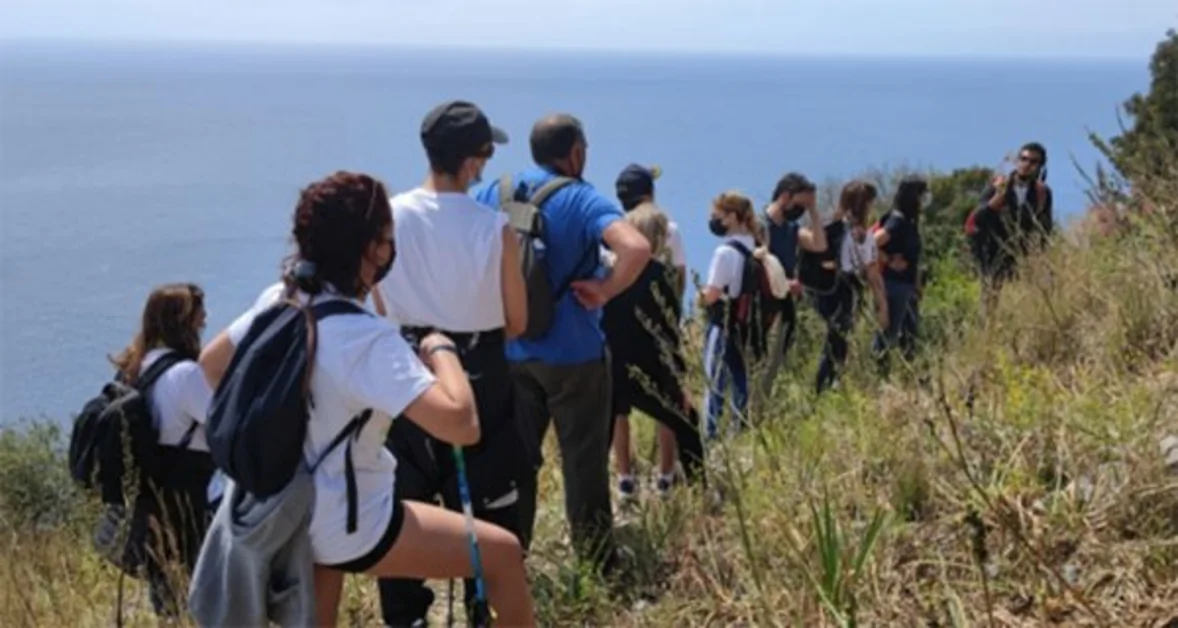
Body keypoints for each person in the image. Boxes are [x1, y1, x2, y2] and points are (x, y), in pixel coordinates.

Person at [198, 171, 535, 627]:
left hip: (282, 504)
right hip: (350, 522)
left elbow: (212, 363)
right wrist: (442, 352)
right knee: (503, 556)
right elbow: (461, 424)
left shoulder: (282, 299)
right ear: (371, 249)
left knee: (321, 594)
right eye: (388, 239)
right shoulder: (366, 339)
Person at [366, 101, 530, 626]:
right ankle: (486, 611)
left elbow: (378, 307)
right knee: (490, 510)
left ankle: (406, 617)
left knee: (403, 504)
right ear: (474, 161)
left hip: (406, 370)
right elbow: (518, 321)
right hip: (479, 374)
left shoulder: (388, 219)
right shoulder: (495, 228)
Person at [472, 113, 652, 571]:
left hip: (510, 349)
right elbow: (636, 248)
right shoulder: (581, 197)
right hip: (575, 355)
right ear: (575, 152)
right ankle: (596, 562)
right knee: (583, 460)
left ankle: (512, 557)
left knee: (518, 462)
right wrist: (606, 289)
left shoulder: (492, 193)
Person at [106, 282, 216, 618]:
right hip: (188, 495)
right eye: (199, 317)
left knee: (166, 592)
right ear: (184, 323)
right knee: (201, 587)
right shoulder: (185, 374)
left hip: (149, 495)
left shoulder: (133, 367)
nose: (204, 321)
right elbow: (224, 423)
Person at [601, 201, 705, 501]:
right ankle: (697, 488)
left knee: (598, 437)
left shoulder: (610, 272)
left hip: (611, 364)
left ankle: (597, 499)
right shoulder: (663, 277)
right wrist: (679, 378)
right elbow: (669, 331)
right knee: (685, 423)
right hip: (652, 367)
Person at [812, 181, 889, 393]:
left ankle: (824, 388)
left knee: (834, 341)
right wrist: (882, 305)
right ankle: (826, 388)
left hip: (825, 292)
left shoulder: (830, 226)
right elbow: (873, 274)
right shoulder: (859, 233)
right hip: (845, 291)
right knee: (838, 343)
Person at [699, 191, 763, 440]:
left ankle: (709, 438)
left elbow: (713, 293)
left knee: (713, 382)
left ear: (733, 217)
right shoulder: (755, 247)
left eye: (719, 216)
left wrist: (700, 296)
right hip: (745, 324)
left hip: (722, 321)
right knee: (740, 381)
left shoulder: (725, 252)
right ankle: (739, 434)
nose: (715, 221)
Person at [758, 172, 828, 397]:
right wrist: (784, 282)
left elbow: (819, 245)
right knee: (758, 356)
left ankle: (762, 404)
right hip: (762, 300)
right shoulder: (760, 224)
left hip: (785, 302)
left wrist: (813, 210)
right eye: (800, 204)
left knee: (776, 358)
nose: (801, 210)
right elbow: (759, 263)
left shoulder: (792, 229)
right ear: (785, 197)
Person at [968, 142, 1054, 299]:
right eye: (1023, 159)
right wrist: (995, 201)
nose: (1026, 164)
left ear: (1040, 166)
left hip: (1022, 257)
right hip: (993, 254)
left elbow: (1045, 229)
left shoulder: (1042, 193)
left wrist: (1040, 257)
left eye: (1033, 161)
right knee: (991, 300)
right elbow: (978, 218)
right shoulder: (999, 185)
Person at [873, 175, 927, 373]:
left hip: (908, 286)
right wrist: (888, 259)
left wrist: (917, 285)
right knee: (888, 334)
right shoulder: (897, 220)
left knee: (909, 336)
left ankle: (908, 375)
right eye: (922, 195)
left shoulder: (910, 222)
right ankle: (880, 374)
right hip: (894, 285)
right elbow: (872, 242)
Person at [616, 163, 687, 298]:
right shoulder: (668, 229)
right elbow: (680, 281)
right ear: (650, 192)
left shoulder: (614, 232)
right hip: (657, 307)